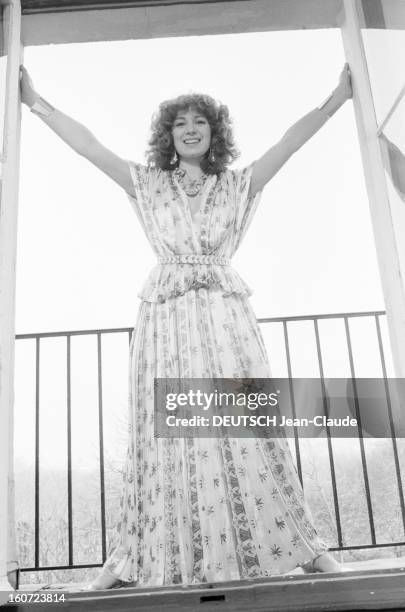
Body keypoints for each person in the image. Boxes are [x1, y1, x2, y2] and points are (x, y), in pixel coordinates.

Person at [20, 63, 353, 590]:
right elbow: (89, 146)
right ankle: (127, 559)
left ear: (214, 133)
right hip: (166, 325)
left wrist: (335, 101)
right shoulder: (148, 184)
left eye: (201, 121)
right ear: (169, 135)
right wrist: (35, 104)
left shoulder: (236, 184)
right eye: (181, 123)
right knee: (166, 439)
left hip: (224, 321)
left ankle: (303, 548)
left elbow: (287, 147)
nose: (191, 128)